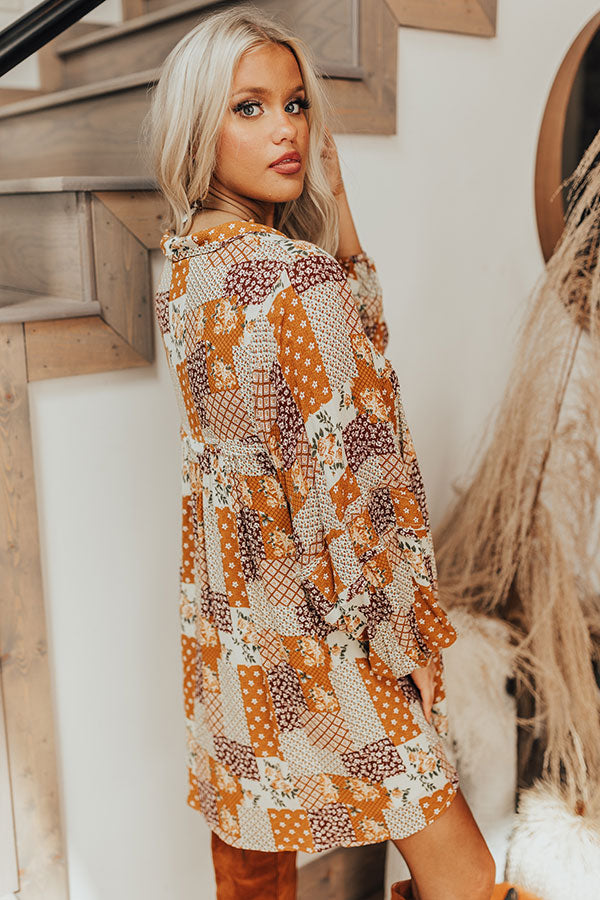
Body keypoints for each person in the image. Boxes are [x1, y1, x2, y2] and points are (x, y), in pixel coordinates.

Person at [147, 7, 498, 900]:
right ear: (198, 125)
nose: (288, 130)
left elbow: (336, 369)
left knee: (253, 854)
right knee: (466, 876)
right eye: (250, 107)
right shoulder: (298, 278)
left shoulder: (186, 265)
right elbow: (354, 464)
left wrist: (332, 213)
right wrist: (405, 631)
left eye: (296, 103)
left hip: (236, 628)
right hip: (330, 626)